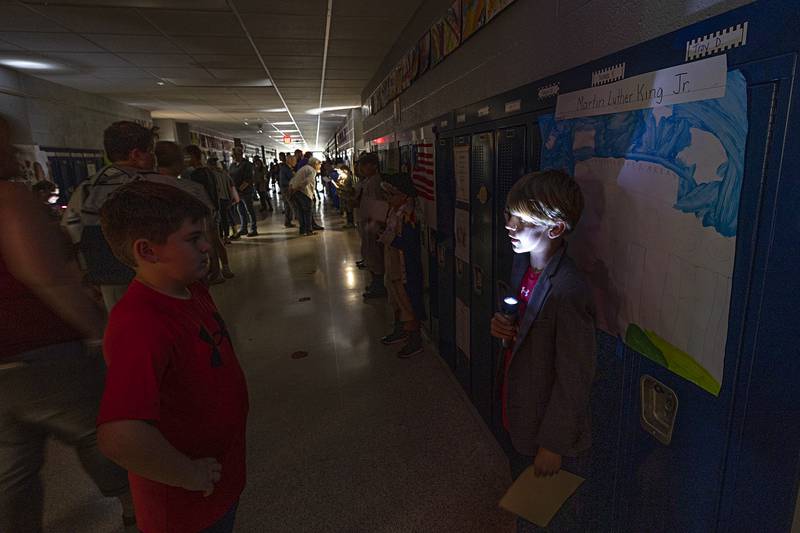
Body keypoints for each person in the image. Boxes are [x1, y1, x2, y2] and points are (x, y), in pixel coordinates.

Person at [0, 116, 136, 532]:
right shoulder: (9, 198)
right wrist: (97, 327)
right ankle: (142, 512)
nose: (17, 153)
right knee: (101, 431)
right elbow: (45, 275)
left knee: (12, 469)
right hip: (41, 348)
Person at [96, 180, 249, 533]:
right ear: (147, 251)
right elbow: (119, 435)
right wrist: (188, 474)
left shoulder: (190, 290)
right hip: (183, 508)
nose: (207, 246)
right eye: (193, 238)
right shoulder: (140, 323)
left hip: (218, 481)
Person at [490, 170, 596, 531]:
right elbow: (525, 337)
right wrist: (505, 331)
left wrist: (553, 444)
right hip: (517, 415)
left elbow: (575, 376)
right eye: (508, 214)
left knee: (546, 520)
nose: (509, 225)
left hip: (544, 433)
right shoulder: (524, 264)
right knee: (526, 512)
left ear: (555, 228)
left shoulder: (568, 289)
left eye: (521, 219)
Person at [61, 120, 158, 311]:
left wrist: (85, 275)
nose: (155, 157)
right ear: (137, 155)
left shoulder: (87, 188)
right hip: (155, 272)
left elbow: (71, 233)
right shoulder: (151, 186)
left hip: (108, 275)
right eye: (151, 151)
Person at [378, 174, 426, 358]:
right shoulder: (394, 211)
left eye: (391, 195)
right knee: (395, 297)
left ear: (404, 196)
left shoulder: (409, 215)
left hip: (406, 266)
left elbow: (408, 243)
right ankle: (400, 330)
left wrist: (384, 236)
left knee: (408, 302)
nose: (388, 200)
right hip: (393, 263)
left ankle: (414, 339)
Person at [185, 146, 235, 279]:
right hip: (213, 209)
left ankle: (216, 272)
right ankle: (225, 268)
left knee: (210, 241)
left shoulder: (196, 175)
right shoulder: (209, 172)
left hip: (206, 212)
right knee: (216, 240)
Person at [356, 152, 387, 298]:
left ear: (373, 165)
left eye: (364, 165)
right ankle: (375, 283)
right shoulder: (368, 181)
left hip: (373, 225)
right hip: (367, 223)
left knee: (375, 256)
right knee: (369, 254)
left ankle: (379, 286)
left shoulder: (375, 182)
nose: (362, 169)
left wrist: (375, 226)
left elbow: (378, 205)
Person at [289, 157, 322, 236]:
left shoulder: (304, 168)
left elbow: (294, 179)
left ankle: (302, 230)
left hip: (296, 192)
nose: (319, 167)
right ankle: (309, 230)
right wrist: (298, 187)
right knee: (307, 212)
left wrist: (293, 188)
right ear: (315, 164)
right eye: (319, 165)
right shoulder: (312, 170)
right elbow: (307, 181)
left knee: (301, 212)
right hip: (303, 192)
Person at [229, 147, 257, 237]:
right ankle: (243, 228)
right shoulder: (232, 165)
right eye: (232, 155)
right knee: (240, 210)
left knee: (249, 210)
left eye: (234, 154)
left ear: (240, 154)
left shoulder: (247, 164)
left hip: (245, 192)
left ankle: (253, 229)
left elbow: (248, 179)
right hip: (236, 192)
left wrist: (240, 189)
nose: (232, 156)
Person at [278, 152, 296, 228]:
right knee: (293, 205)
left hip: (285, 188)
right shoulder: (286, 169)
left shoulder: (286, 168)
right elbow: (287, 180)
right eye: (294, 160)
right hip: (287, 189)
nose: (295, 162)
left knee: (287, 206)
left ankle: (287, 222)